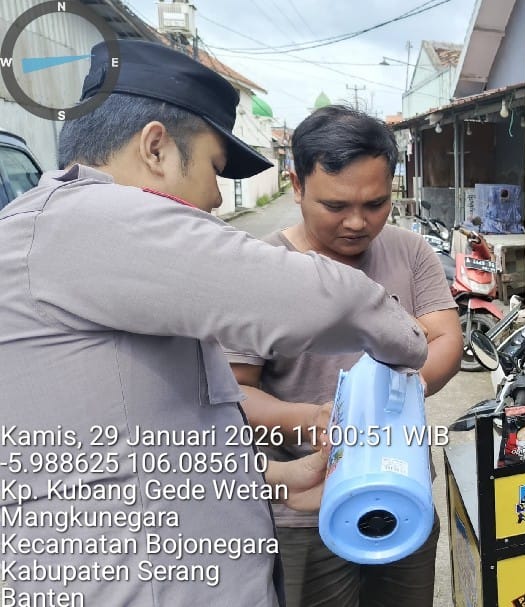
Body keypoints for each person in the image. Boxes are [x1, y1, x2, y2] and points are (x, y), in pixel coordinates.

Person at [0, 41, 427, 606]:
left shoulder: (88, 253)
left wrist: (276, 479)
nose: (216, 196)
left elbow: (141, 449)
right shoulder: (82, 221)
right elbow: (322, 302)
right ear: (155, 147)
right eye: (213, 167)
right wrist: (406, 345)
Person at [226, 105, 463, 607]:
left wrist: (405, 390)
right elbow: (233, 391)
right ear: (296, 184)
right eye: (335, 206)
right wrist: (313, 419)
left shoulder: (411, 252)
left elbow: (446, 338)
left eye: (375, 204)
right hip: (305, 510)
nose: (357, 223)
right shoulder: (258, 270)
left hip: (402, 490)